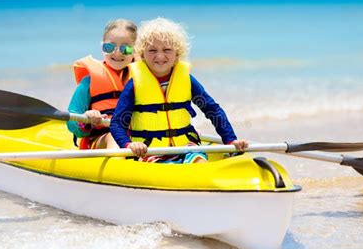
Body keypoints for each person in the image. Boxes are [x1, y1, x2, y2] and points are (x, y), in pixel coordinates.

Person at [110, 17, 248, 163]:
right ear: (142, 54)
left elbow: (212, 110)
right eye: (152, 50)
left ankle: (199, 168)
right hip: (150, 150)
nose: (160, 56)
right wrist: (129, 144)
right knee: (161, 168)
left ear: (177, 53)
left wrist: (230, 140)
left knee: (198, 160)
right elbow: (117, 123)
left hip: (185, 145)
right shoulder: (134, 85)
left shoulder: (187, 80)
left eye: (167, 50)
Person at [67, 19, 137, 149]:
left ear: (135, 50)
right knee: (113, 137)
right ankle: (117, 167)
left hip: (137, 140)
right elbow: (72, 122)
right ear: (102, 47)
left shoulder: (142, 79)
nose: (117, 53)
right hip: (102, 139)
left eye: (125, 48)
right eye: (109, 47)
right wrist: (86, 119)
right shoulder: (89, 82)